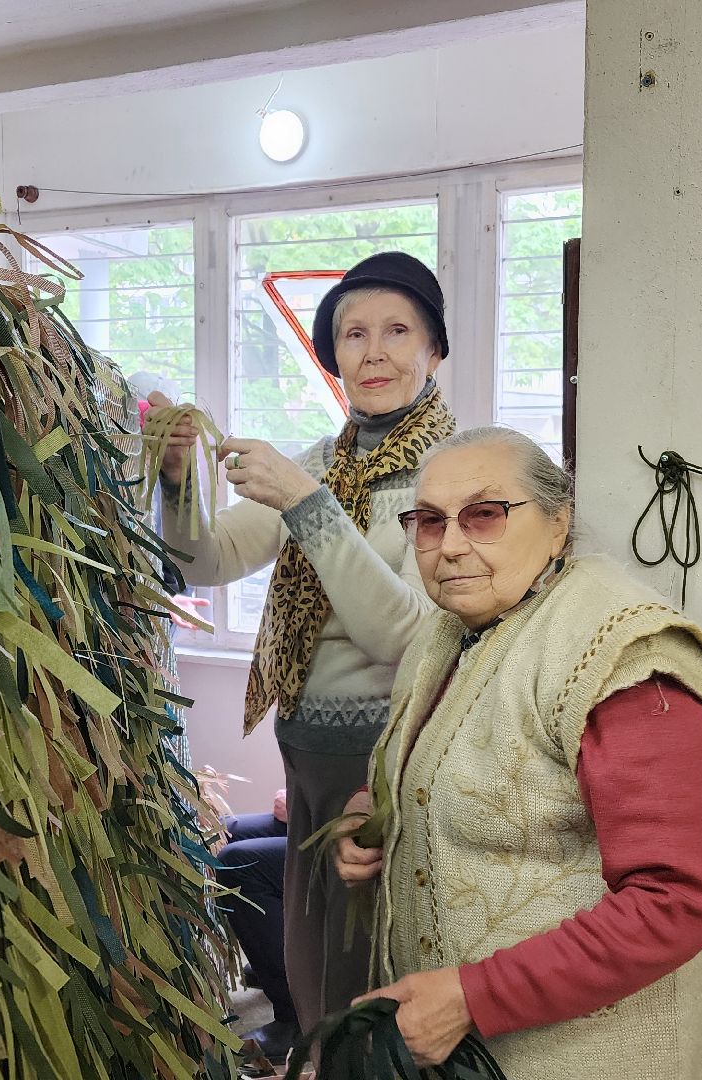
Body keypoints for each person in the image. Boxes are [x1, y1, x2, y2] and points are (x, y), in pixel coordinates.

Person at [334, 426, 702, 1079]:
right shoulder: (446, 634)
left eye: (484, 515)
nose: (450, 545)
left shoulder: (625, 657)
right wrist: (371, 813)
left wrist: (474, 997)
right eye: (430, 521)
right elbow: (427, 760)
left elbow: (676, 900)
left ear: (558, 523)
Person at [148, 252, 457, 1029]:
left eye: (397, 331)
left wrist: (308, 504)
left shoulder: (450, 474)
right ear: (335, 356)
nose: (374, 352)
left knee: (376, 983)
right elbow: (207, 559)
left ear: (434, 351)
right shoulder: (321, 461)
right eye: (354, 334)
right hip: (306, 758)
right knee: (315, 976)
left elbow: (405, 637)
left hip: (388, 770)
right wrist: (179, 479)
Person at [215, 789, 296, 1059]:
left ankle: (296, 1016)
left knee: (239, 864)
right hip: (328, 810)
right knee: (223, 831)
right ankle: (277, 962)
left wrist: (306, 809)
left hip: (357, 828)